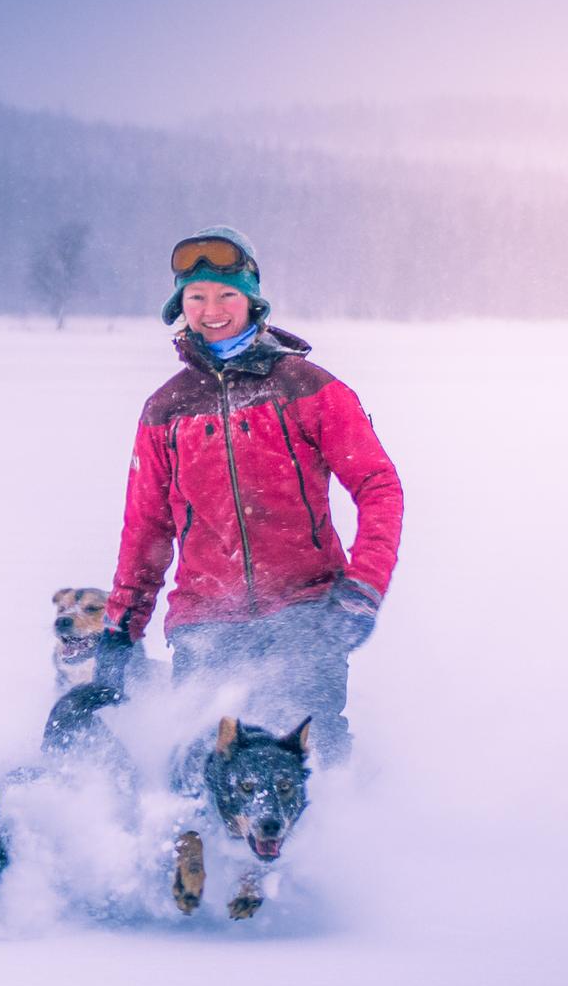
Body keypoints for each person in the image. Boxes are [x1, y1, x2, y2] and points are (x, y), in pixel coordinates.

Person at [95, 225, 403, 766]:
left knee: (304, 764)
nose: (212, 309)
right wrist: (122, 627)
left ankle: (337, 841)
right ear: (180, 307)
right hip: (205, 624)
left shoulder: (307, 388)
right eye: (197, 297)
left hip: (305, 615)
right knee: (203, 769)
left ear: (251, 298)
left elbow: (379, 486)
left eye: (226, 294)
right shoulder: (165, 409)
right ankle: (194, 851)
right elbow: (146, 528)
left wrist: (365, 586)